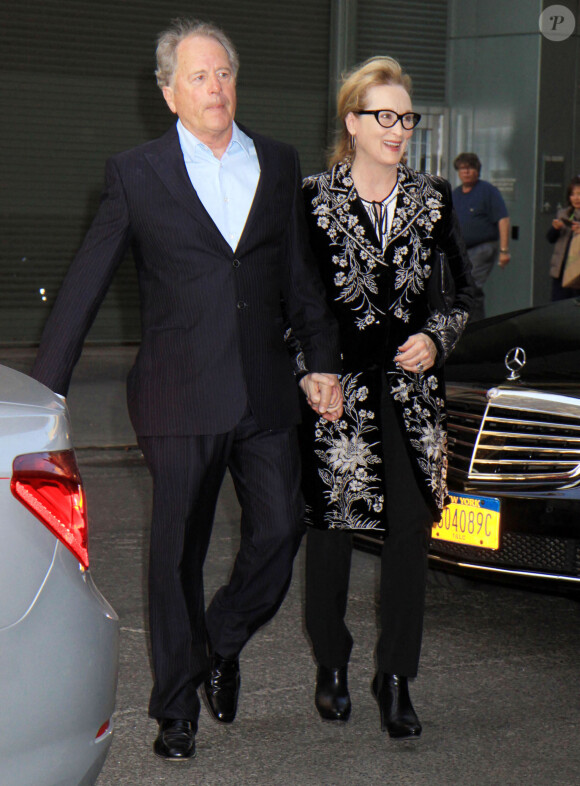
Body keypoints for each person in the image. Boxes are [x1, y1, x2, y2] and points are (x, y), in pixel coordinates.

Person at [30, 18, 343, 762]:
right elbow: (84, 284)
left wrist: (321, 361)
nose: (216, 88)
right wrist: (45, 393)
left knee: (279, 532)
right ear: (169, 93)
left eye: (225, 74)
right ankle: (176, 710)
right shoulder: (136, 173)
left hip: (265, 390)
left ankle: (217, 643)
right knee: (176, 555)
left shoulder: (277, 160)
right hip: (176, 394)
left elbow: (302, 282)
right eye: (199, 77)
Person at [298, 56, 474, 740]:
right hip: (337, 394)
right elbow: (294, 301)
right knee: (333, 535)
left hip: (413, 396)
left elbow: (463, 293)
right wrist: (310, 370)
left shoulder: (433, 199)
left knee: (409, 538)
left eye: (406, 117)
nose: (399, 129)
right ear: (353, 122)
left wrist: (437, 335)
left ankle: (396, 676)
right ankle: (333, 663)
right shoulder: (312, 198)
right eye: (385, 116)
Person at [452, 152, 510, 320]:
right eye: (462, 169)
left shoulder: (488, 191)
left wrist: (504, 251)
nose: (466, 172)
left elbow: (503, 220)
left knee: (471, 287)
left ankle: (476, 327)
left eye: (470, 168)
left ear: (477, 170)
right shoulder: (455, 194)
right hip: (461, 251)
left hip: (483, 248)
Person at [547, 175, 580, 300]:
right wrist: (555, 228)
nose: (576, 198)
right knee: (558, 307)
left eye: (579, 194)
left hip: (577, 271)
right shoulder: (563, 214)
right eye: (573, 194)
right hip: (561, 270)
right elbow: (550, 238)